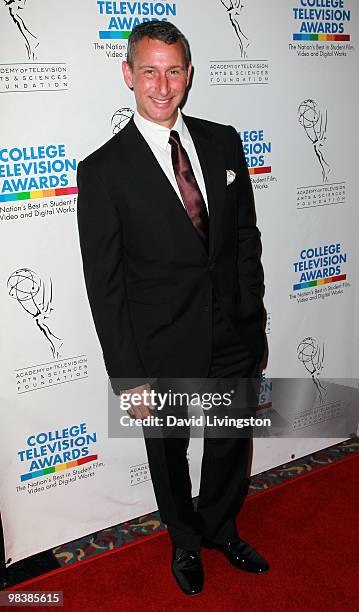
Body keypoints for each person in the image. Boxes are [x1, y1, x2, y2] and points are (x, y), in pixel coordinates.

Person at [77, 21, 269, 596]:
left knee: (231, 438)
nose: (163, 85)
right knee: (168, 452)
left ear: (189, 73)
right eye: (150, 71)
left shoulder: (223, 141)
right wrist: (128, 377)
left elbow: (244, 240)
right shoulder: (103, 171)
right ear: (128, 75)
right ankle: (184, 541)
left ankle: (221, 526)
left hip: (231, 330)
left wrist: (252, 323)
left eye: (174, 70)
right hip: (159, 344)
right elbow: (105, 286)